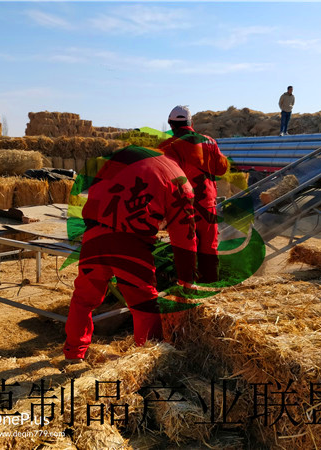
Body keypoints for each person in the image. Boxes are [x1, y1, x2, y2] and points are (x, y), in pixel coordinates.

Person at [63, 145, 197, 361]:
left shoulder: (128, 155)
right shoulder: (179, 180)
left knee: (83, 298)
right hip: (130, 243)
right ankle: (148, 361)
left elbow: (96, 191)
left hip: (94, 234)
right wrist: (187, 279)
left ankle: (73, 353)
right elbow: (185, 237)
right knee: (144, 305)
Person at [159, 105, 229, 283]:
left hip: (180, 205)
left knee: (184, 248)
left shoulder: (166, 146)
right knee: (209, 246)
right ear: (191, 123)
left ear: (171, 124)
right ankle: (211, 285)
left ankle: (188, 288)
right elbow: (222, 169)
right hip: (206, 202)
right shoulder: (209, 142)